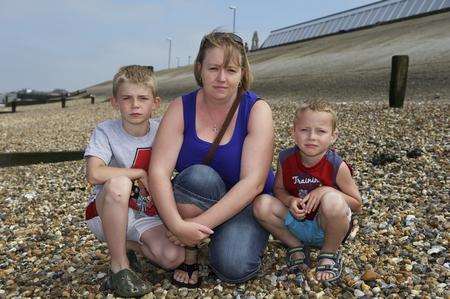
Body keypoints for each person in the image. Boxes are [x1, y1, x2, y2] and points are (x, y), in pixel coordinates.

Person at [148, 31, 275, 287]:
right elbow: (159, 172)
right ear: (200, 69)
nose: (221, 78)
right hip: (200, 194)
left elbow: (253, 183)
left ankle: (208, 240)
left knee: (233, 269)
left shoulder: (257, 110)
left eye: (230, 70)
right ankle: (193, 251)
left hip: (245, 204)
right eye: (213, 68)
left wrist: (194, 227)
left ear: (242, 73)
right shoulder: (180, 108)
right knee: (197, 176)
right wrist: (176, 225)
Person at [84, 65, 184, 297]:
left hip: (147, 213)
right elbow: (94, 173)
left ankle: (127, 248)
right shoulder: (106, 131)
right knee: (120, 184)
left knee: (173, 258)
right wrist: (137, 173)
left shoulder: (163, 129)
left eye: (142, 98)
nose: (135, 104)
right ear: (114, 102)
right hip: (106, 211)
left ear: (156, 103)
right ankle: (119, 267)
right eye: (127, 98)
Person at [253, 99, 362, 285]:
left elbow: (357, 203)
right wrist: (289, 201)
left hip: (328, 228)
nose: (312, 137)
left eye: (321, 131)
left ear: (333, 136)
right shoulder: (285, 158)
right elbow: (278, 189)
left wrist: (326, 191)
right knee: (261, 204)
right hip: (296, 225)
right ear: (293, 132)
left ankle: (328, 254)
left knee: (333, 201)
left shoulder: (337, 165)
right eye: (304, 130)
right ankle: (296, 247)